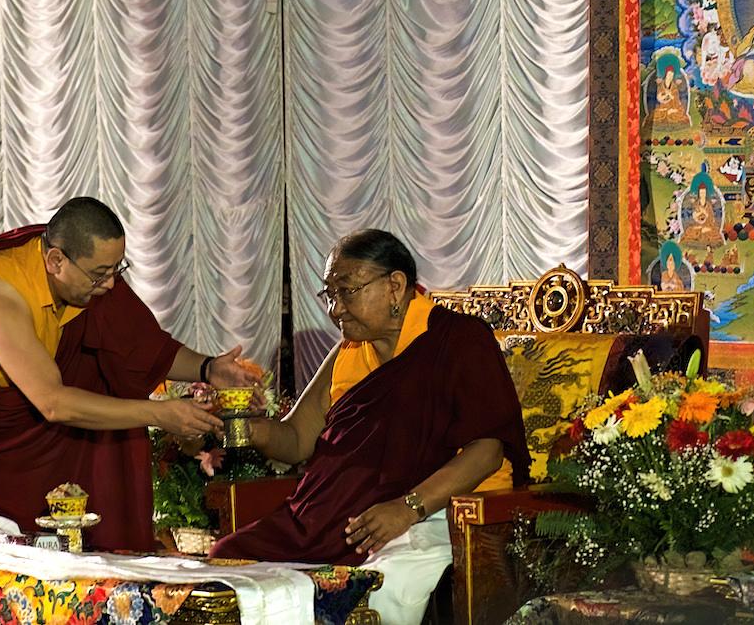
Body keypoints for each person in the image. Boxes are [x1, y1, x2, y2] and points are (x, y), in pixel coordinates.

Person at [0, 197, 242, 584]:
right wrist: (158, 413)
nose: (111, 285)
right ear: (55, 261)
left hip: (11, 422)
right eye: (100, 274)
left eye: (118, 270)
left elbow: (142, 348)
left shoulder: (84, 281)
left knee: (48, 542)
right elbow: (53, 403)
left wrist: (208, 366)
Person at [210, 230, 528, 625]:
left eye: (346, 291)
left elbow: (487, 451)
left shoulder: (459, 339)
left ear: (395, 286)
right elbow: (294, 440)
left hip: (442, 512)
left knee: (380, 588)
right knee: (229, 560)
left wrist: (407, 507)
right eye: (328, 295)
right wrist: (244, 425)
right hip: (336, 518)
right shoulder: (348, 351)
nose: (335, 309)